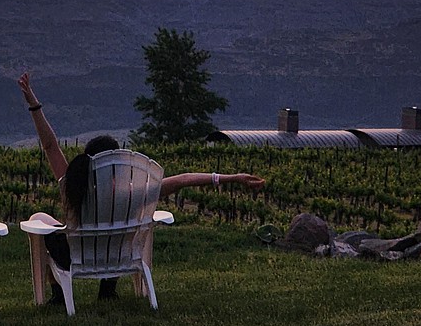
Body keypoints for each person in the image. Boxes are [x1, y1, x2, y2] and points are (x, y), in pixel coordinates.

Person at [18, 71, 265, 302]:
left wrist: (33, 104)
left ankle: (58, 294)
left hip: (75, 259)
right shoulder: (132, 195)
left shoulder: (72, 186)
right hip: (118, 257)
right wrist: (230, 178)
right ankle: (107, 290)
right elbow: (181, 180)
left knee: (40, 218)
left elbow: (50, 145)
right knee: (117, 228)